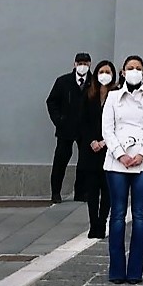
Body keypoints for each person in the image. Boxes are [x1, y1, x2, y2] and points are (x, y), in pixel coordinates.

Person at [102, 54, 143, 284]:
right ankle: (116, 269)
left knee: (139, 215)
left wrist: (142, 154)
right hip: (117, 161)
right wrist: (120, 154)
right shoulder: (113, 97)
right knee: (117, 214)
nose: (134, 70)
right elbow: (107, 128)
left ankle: (135, 270)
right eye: (130, 67)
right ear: (123, 72)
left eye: (138, 67)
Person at [45, 52, 92, 204]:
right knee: (60, 160)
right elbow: (51, 102)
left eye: (85, 63)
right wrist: (59, 120)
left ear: (90, 64)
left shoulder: (93, 82)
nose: (82, 66)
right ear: (74, 64)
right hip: (66, 128)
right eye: (80, 62)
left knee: (84, 161)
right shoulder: (63, 81)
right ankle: (55, 192)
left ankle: (81, 192)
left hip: (85, 129)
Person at [81, 59, 116, 237]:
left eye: (108, 72)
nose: (104, 75)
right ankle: (93, 223)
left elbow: (119, 123)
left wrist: (105, 141)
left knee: (107, 189)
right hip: (91, 150)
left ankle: (102, 222)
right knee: (92, 189)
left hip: (109, 149)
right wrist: (92, 141)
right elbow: (83, 121)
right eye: (101, 71)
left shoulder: (116, 95)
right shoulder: (89, 94)